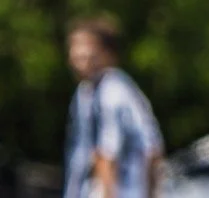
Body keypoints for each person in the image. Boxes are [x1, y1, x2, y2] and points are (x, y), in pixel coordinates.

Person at [63, 17, 164, 198]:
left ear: (107, 55)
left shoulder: (111, 92)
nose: (78, 56)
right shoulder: (86, 91)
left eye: (87, 51)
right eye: (75, 50)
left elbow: (107, 155)